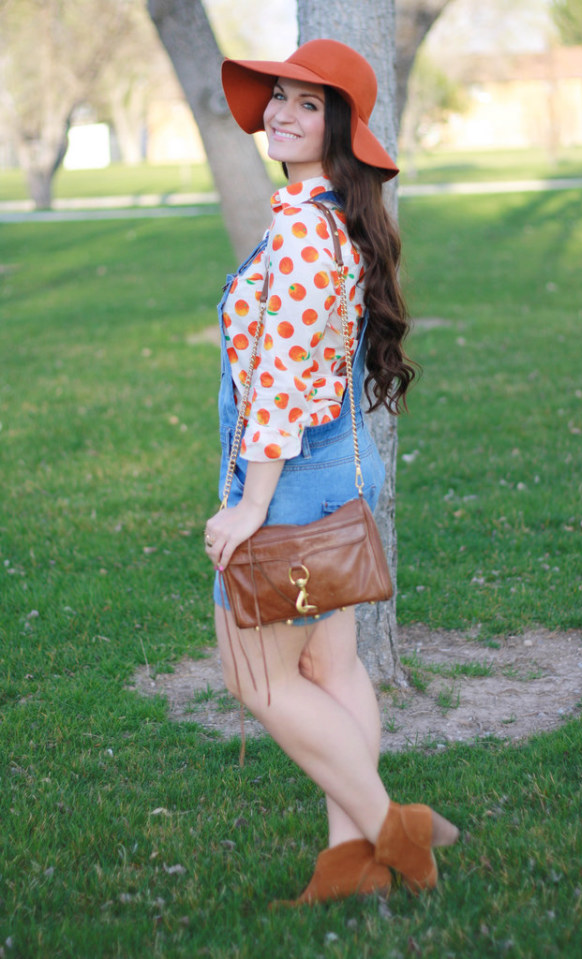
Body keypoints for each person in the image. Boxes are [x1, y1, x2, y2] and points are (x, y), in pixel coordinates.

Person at [204, 39, 459, 904]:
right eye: (278, 96)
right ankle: (350, 862)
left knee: (257, 676)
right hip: (333, 475)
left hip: (294, 484)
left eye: (307, 104)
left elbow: (277, 387)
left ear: (340, 126)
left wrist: (249, 507)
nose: (280, 112)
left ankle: (396, 830)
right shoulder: (319, 217)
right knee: (329, 670)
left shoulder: (310, 235)